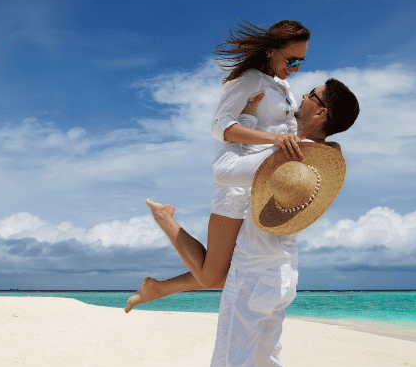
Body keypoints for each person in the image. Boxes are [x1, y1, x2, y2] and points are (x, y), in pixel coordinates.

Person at [212, 79, 360, 367]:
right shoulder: (324, 158)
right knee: (269, 366)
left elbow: (222, 169)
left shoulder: (283, 154)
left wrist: (250, 119)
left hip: (255, 276)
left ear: (320, 115)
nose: (300, 98)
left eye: (310, 96)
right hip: (283, 274)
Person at [125, 20, 310, 313]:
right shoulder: (248, 80)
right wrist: (275, 138)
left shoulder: (282, 85)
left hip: (263, 188)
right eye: (292, 59)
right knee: (214, 276)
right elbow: (220, 127)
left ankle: (157, 289)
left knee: (234, 272)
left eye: (301, 60)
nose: (297, 66)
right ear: (271, 52)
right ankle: (165, 220)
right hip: (236, 186)